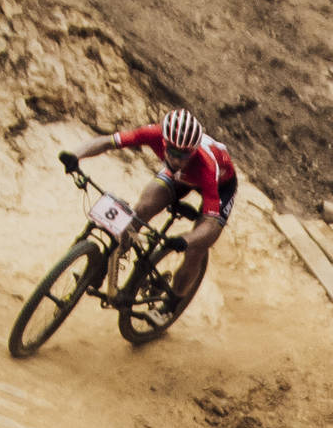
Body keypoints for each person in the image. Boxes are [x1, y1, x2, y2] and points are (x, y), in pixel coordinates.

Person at [58, 107, 240, 315]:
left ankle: (173, 303)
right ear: (164, 142)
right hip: (179, 177)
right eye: (173, 152)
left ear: (194, 150)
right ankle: (108, 264)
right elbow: (108, 141)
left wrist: (186, 240)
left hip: (220, 187)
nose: (178, 159)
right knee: (141, 209)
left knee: (196, 249)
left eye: (185, 155)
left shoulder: (206, 166)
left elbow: (209, 224)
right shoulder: (153, 134)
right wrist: (75, 155)